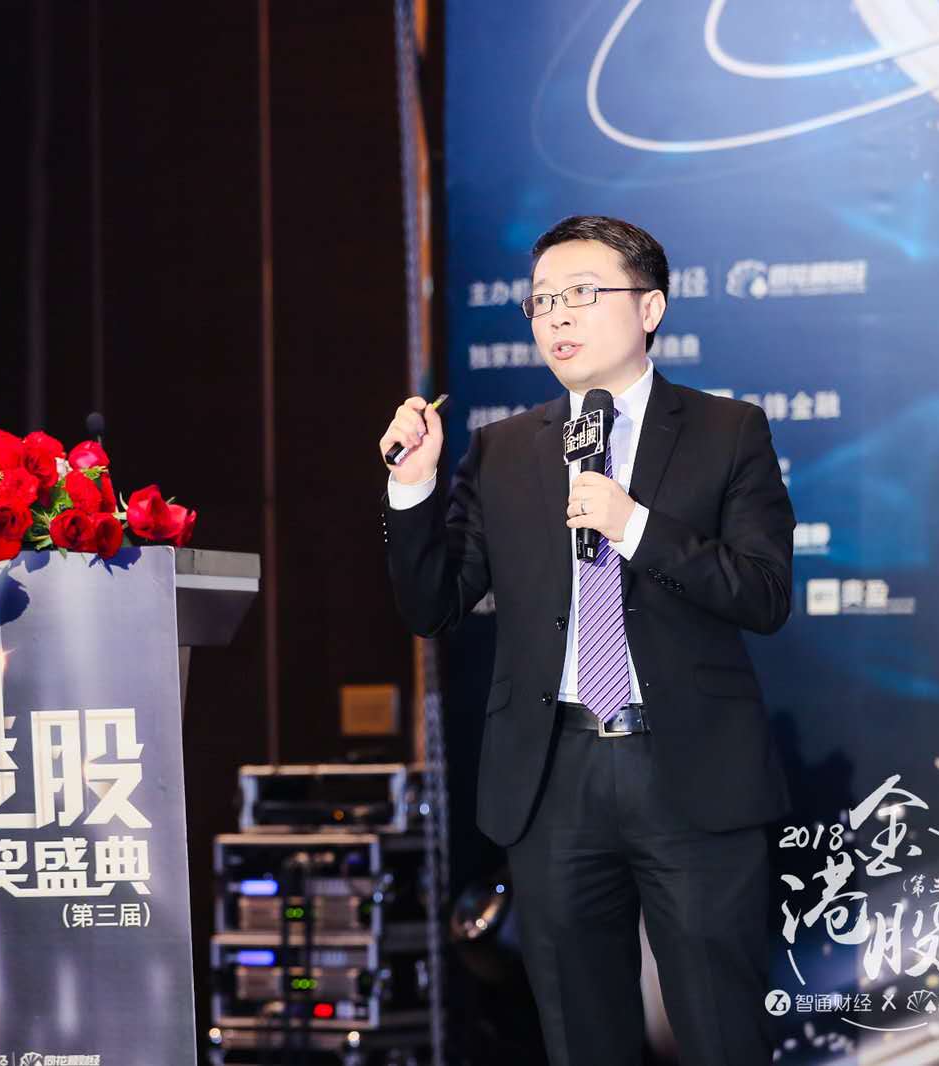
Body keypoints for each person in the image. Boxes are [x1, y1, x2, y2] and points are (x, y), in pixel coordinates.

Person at [380, 215, 794, 1065]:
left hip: (689, 771)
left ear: (650, 309)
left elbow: (763, 594)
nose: (557, 315)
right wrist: (412, 489)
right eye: (541, 301)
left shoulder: (728, 431)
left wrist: (634, 525)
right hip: (553, 775)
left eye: (581, 293)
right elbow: (434, 607)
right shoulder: (502, 450)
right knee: (580, 1040)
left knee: (722, 1033)